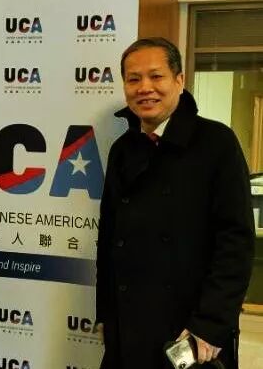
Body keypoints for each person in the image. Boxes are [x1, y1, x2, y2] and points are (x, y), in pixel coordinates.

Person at [96, 37, 255, 369]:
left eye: (156, 76)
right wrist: (106, 313)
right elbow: (109, 238)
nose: (145, 88)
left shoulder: (216, 143)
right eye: (134, 79)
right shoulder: (123, 149)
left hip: (190, 329)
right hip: (128, 324)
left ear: (179, 81)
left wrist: (210, 324)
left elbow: (235, 242)